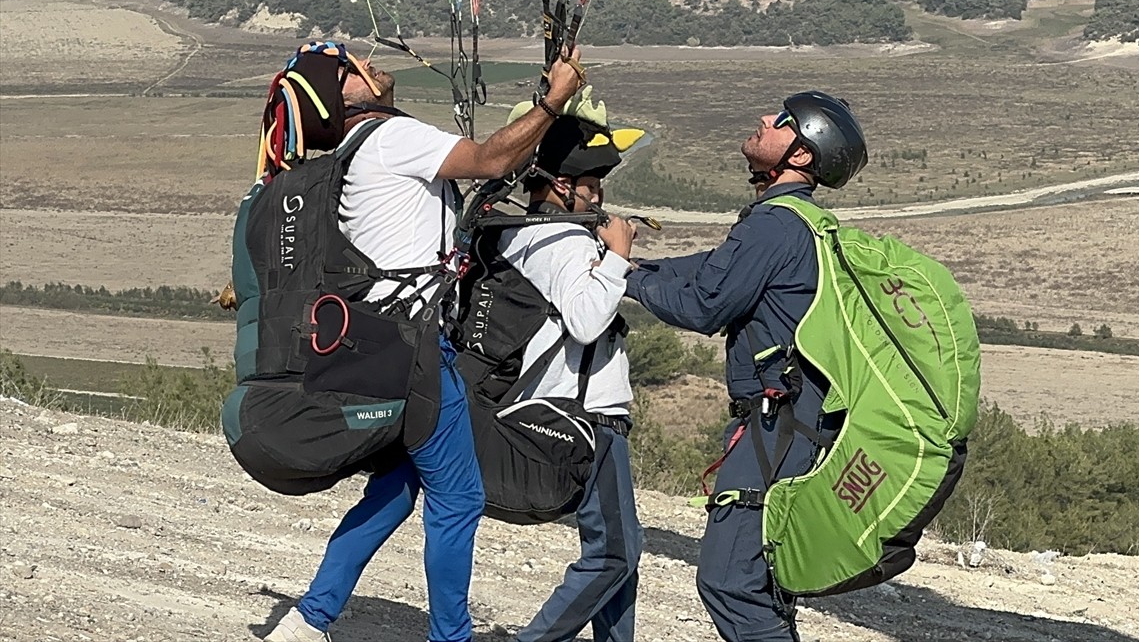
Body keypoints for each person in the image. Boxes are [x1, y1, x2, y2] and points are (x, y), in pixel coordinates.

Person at [265, 49, 587, 642]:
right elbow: (489, 157)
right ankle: (450, 638)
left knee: (396, 488)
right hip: (414, 350)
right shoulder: (392, 137)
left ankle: (309, 618)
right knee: (459, 496)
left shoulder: (343, 155)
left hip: (367, 346)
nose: (368, 60)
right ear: (347, 94)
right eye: (351, 63)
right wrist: (552, 101)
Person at [622, 92, 868, 642]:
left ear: (801, 156)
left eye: (781, 121)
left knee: (730, 580)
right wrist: (635, 262)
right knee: (763, 583)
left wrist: (623, 277)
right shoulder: (796, 221)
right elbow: (713, 269)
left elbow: (703, 305)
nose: (763, 119)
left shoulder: (774, 226)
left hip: (777, 423)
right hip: (796, 418)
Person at [491, 111, 643, 642]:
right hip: (584, 413)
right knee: (613, 554)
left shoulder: (521, 235)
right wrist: (617, 257)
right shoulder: (564, 241)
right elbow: (585, 321)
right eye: (592, 185)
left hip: (575, 409)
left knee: (620, 554)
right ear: (561, 184)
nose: (599, 198)